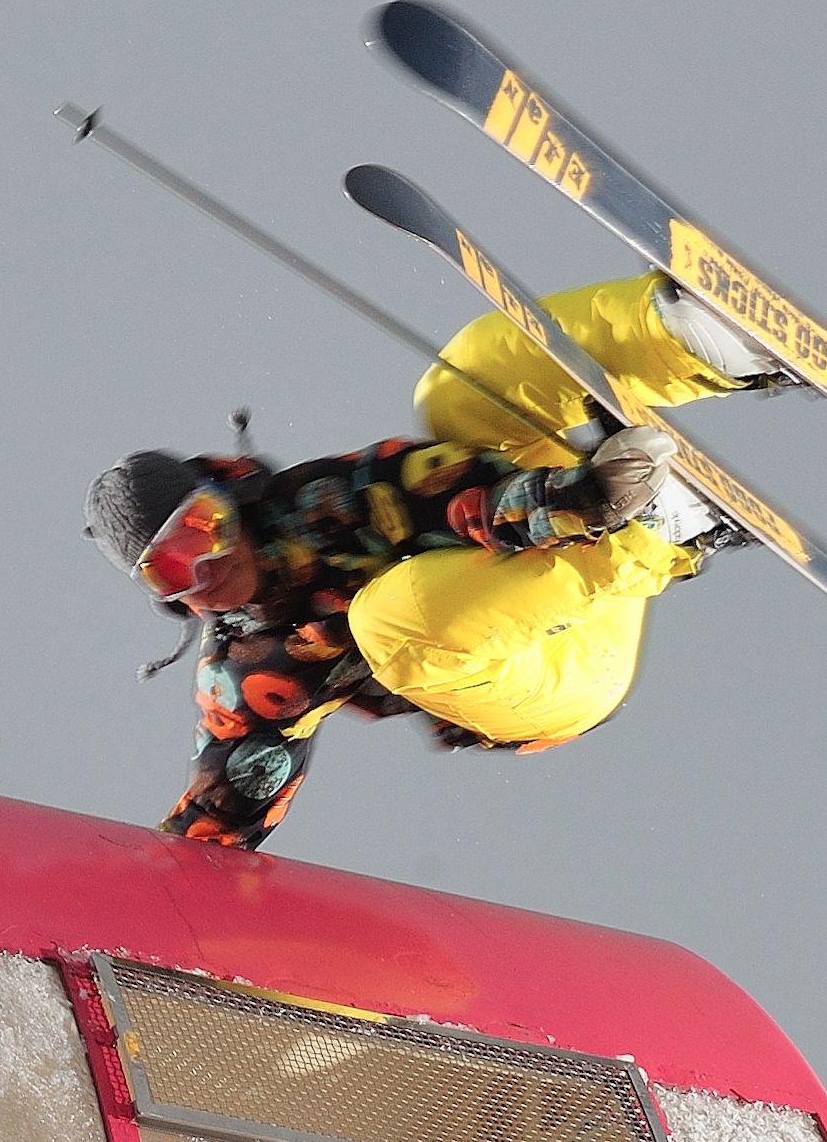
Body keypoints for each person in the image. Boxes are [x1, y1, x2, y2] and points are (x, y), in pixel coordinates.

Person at [85, 271, 781, 848]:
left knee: (454, 393)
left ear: (225, 502)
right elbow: (216, 826)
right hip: (550, 668)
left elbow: (447, 495)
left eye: (201, 529)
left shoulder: (320, 505)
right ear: (169, 598)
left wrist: (582, 500)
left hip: (563, 541)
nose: (207, 567)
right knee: (389, 623)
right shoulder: (250, 679)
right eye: (174, 569)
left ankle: (699, 341)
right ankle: (669, 526)